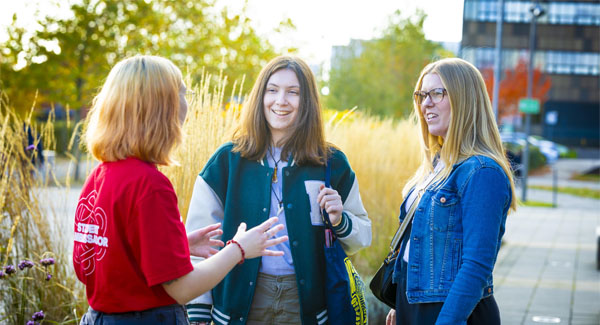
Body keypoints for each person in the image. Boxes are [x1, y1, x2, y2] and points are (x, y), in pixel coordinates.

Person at [73, 55, 288, 325]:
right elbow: (183, 289)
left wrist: (178, 247)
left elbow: (94, 265)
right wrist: (239, 249)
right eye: (183, 93)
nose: (188, 103)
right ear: (162, 108)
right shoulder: (150, 185)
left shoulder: (99, 176)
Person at [184, 56, 372, 325]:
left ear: (307, 102)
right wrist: (199, 309)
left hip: (305, 303)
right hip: (239, 303)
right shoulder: (228, 160)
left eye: (293, 92)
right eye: (272, 90)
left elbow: (363, 236)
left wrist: (340, 220)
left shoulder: (331, 162)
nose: (281, 100)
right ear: (260, 96)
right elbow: (201, 242)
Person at [385, 58, 517, 325]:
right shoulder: (438, 165)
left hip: (452, 313)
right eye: (422, 95)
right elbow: (416, 245)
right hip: (415, 307)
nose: (425, 104)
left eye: (437, 93)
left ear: (464, 100)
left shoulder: (481, 172)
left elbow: (476, 267)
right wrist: (400, 302)